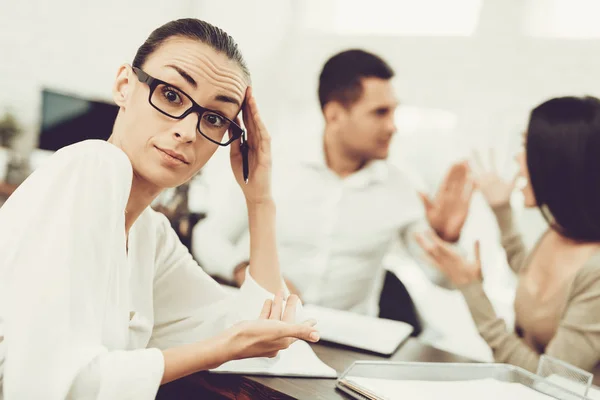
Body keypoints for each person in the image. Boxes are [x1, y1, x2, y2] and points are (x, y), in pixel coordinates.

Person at [0, 19, 320, 400]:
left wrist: (260, 200)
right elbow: (55, 386)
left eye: (214, 119)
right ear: (124, 85)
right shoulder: (93, 165)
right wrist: (223, 348)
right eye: (171, 95)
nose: (188, 131)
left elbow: (264, 330)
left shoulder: (149, 233)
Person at [193, 49, 475, 329]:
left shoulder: (402, 186)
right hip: (269, 326)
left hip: (351, 339)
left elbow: (444, 281)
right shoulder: (274, 166)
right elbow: (208, 237)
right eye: (380, 113)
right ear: (335, 115)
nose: (392, 127)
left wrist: (446, 239)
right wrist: (246, 272)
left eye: (393, 112)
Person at [417, 96, 600, 372]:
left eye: (526, 146)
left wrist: (471, 289)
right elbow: (531, 274)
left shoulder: (596, 273)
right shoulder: (559, 231)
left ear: (559, 161)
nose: (517, 157)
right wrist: (501, 209)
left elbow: (547, 379)